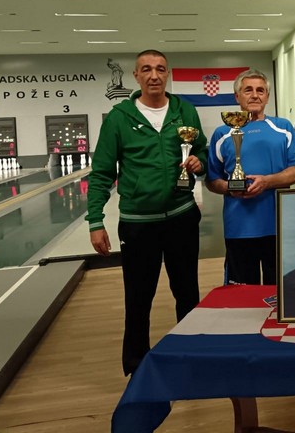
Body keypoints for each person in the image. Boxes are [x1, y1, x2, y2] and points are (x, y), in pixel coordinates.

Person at [87, 49, 207, 376]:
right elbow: (101, 173)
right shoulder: (119, 118)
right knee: (139, 299)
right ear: (136, 76)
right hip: (138, 224)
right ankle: (137, 366)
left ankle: (191, 356)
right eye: (147, 69)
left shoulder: (185, 110)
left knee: (187, 293)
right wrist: (95, 221)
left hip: (182, 216)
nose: (154, 75)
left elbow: (202, 151)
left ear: (167, 74)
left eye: (160, 69)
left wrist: (199, 162)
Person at [206, 69, 295, 285]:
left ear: (267, 97)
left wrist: (267, 182)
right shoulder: (222, 133)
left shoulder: (283, 127)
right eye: (248, 90)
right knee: (241, 294)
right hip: (239, 228)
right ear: (237, 96)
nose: (254, 95)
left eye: (260, 90)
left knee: (278, 293)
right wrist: (231, 188)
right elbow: (212, 180)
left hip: (278, 225)